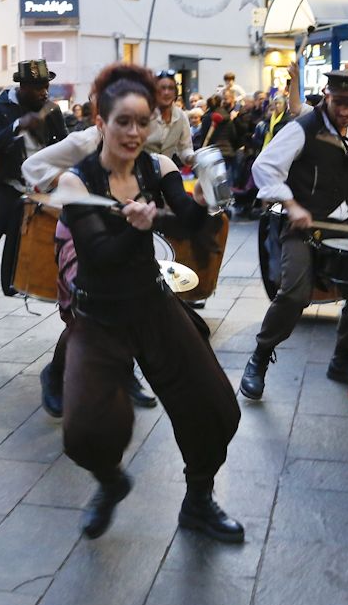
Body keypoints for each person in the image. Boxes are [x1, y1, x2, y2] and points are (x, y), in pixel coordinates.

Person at [54, 63, 243, 542]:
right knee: (85, 432)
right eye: (123, 121)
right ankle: (111, 483)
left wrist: (202, 201)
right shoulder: (76, 184)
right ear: (100, 122)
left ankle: (198, 501)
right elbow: (98, 255)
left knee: (214, 407)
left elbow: (188, 228)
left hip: (152, 305)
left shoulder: (157, 168)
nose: (135, 132)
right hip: (98, 316)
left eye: (143, 122)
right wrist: (139, 225)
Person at [240, 70, 348, 400]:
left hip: (345, 223)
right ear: (327, 94)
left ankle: (343, 359)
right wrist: (292, 205)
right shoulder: (303, 127)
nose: (346, 110)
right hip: (303, 227)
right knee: (294, 293)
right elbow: (264, 166)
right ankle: (259, 357)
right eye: (340, 102)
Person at [0, 60, 67, 343]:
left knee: (52, 250)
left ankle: (67, 313)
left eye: (45, 86)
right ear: (22, 88)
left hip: (42, 192)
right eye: (37, 88)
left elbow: (64, 145)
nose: (44, 92)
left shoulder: (52, 110)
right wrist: (16, 126)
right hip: (8, 187)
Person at [148, 70, 195, 165]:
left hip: (164, 171)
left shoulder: (181, 116)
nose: (166, 92)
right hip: (138, 171)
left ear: (175, 93)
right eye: (162, 88)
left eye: (171, 88)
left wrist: (193, 158)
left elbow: (185, 148)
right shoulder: (145, 113)